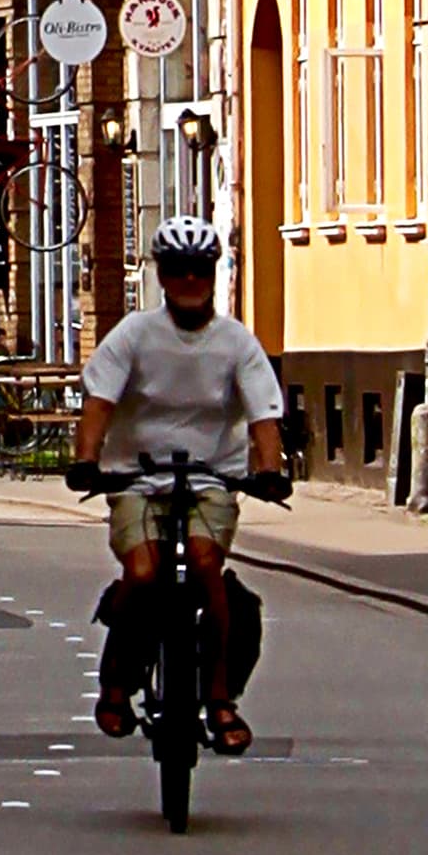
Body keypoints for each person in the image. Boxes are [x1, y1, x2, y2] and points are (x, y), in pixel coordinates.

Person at [73, 225, 285, 751]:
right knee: (142, 571)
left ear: (214, 275)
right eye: (178, 269)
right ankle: (117, 680)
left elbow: (263, 414)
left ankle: (218, 697)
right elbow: (99, 403)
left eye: (201, 269)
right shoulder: (135, 334)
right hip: (138, 478)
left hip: (211, 476)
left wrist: (270, 469)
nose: (190, 280)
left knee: (206, 564)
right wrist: (86, 460)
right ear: (161, 275)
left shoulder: (237, 342)